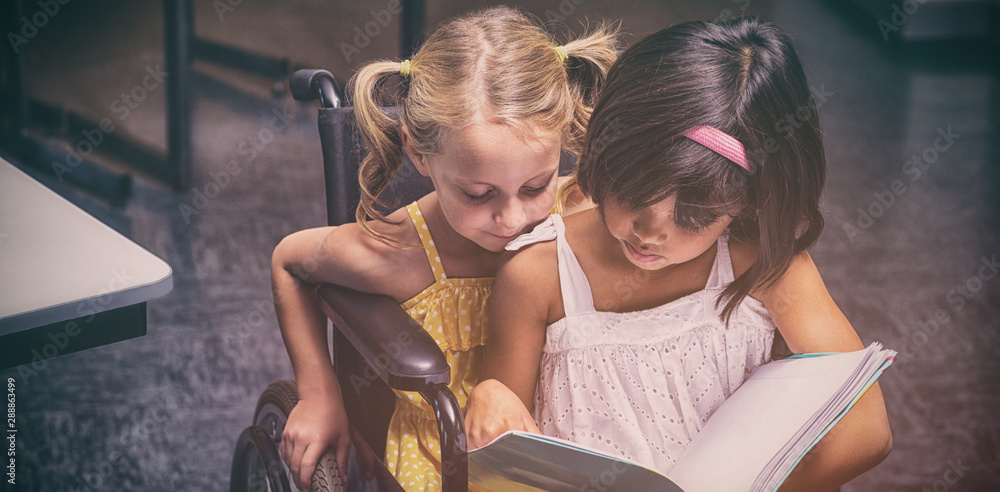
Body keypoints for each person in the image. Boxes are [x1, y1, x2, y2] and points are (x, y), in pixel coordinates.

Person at [465, 18, 892, 490]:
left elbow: (867, 431)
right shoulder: (538, 274)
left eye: (694, 216)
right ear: (607, 152)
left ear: (744, 201)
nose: (650, 233)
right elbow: (503, 460)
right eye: (634, 192)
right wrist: (487, 396)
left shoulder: (763, 263)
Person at [272, 7, 618, 491]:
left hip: (562, 443)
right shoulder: (398, 252)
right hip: (443, 457)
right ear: (418, 153)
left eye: (536, 185)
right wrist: (319, 392)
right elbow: (290, 261)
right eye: (479, 195)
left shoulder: (579, 208)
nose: (513, 219)